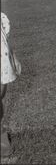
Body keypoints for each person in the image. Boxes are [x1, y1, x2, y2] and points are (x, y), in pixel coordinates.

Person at [1, 12, 18, 157]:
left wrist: (13, 56)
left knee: (0, 97)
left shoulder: (2, 18)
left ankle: (0, 132)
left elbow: (5, 41)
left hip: (2, 66)